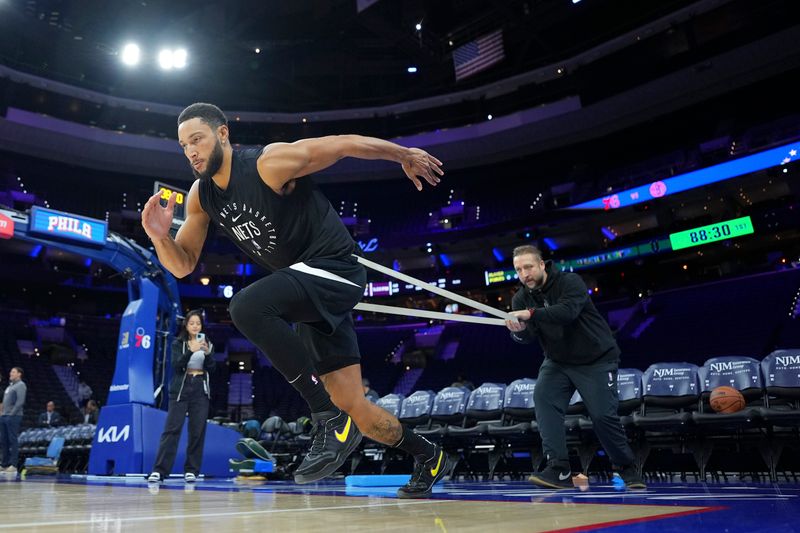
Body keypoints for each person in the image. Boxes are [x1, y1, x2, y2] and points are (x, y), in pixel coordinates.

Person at [141, 103, 448, 498]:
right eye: (184, 145)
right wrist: (160, 237)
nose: (191, 151)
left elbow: (342, 144)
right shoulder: (201, 196)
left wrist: (403, 154)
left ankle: (325, 417)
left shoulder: (268, 164)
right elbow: (182, 266)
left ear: (222, 134)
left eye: (197, 139)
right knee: (360, 411)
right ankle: (430, 456)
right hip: (308, 290)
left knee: (246, 306)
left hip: (334, 268)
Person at [504, 245, 646, 490]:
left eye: (528, 267)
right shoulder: (521, 297)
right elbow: (529, 336)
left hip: (596, 359)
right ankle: (559, 468)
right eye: (518, 269)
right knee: (543, 398)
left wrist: (530, 314)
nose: (524, 273)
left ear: (541, 265)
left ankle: (626, 467)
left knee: (602, 416)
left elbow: (567, 312)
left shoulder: (570, 281)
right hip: (558, 362)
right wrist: (518, 332)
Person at [147, 309, 216, 484]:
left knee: (197, 431)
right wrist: (190, 351)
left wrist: (207, 355)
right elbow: (177, 366)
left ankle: (191, 471)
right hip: (180, 389)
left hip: (200, 388)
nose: (195, 326)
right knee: (172, 429)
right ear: (186, 325)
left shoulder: (207, 343)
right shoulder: (179, 343)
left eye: (198, 323)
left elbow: (212, 368)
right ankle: (159, 471)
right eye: (192, 323)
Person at [0, 367, 26, 474]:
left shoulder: (21, 385)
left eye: (13, 372)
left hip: (14, 416)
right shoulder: (10, 386)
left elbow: (20, 402)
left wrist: (11, 414)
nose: (10, 373)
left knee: (12, 440)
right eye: (10, 371)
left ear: (19, 374)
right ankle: (4, 463)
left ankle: (13, 465)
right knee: (4, 440)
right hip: (4, 415)